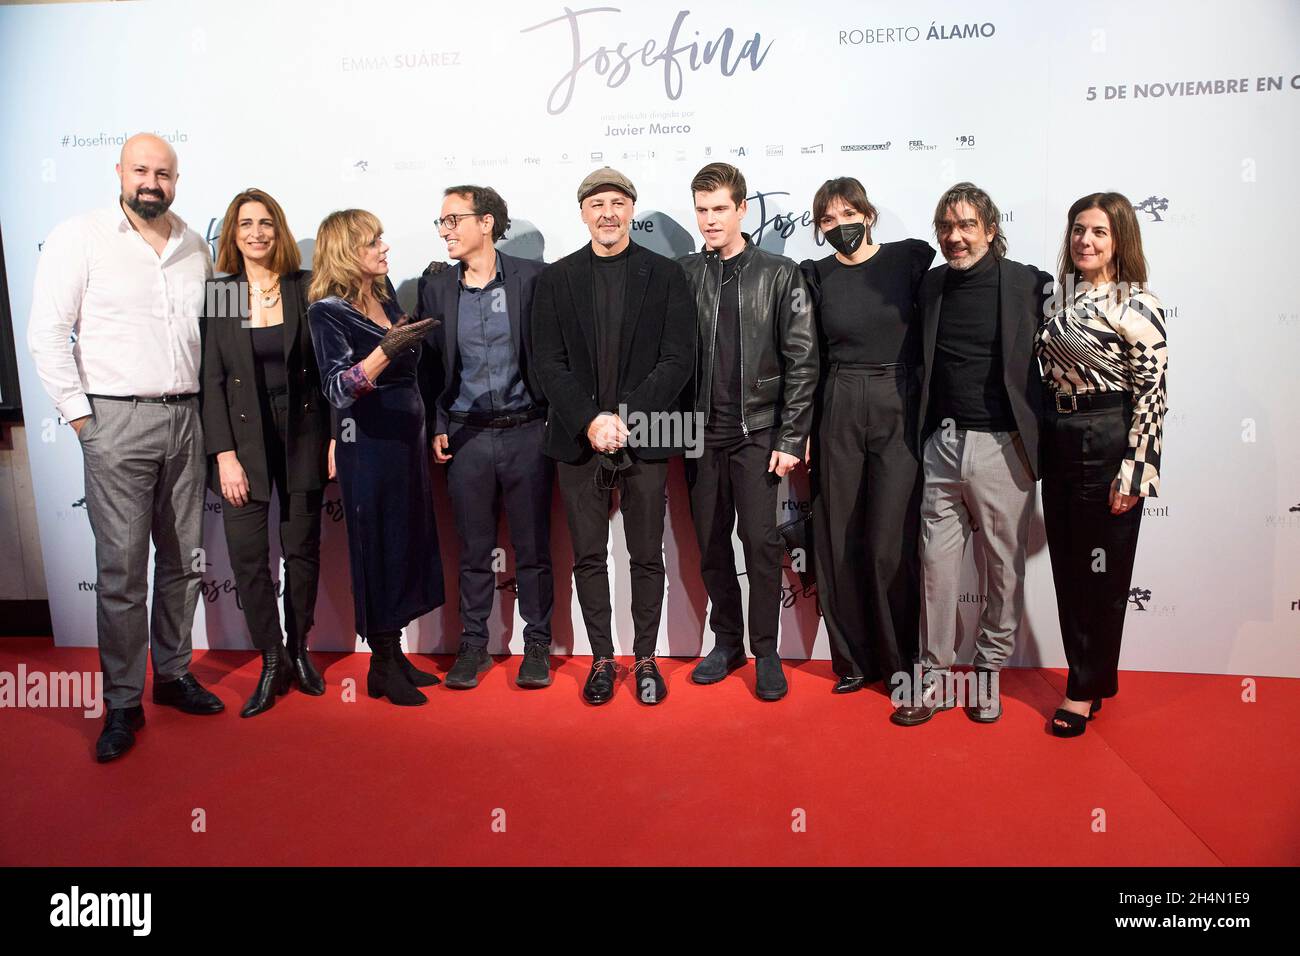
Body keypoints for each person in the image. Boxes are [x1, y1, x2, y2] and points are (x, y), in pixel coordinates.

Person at [27, 133, 223, 762]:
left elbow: (227, 332)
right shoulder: (78, 236)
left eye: (164, 174)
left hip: (189, 419)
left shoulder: (198, 246)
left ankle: (171, 675)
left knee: (184, 559)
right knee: (120, 574)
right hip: (115, 422)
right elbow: (47, 335)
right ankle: (121, 702)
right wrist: (86, 423)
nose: (152, 183)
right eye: (141, 170)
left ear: (176, 179)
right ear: (119, 171)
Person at [531, 167, 695, 705]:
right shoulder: (555, 280)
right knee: (588, 556)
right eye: (597, 202)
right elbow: (548, 365)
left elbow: (677, 360)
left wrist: (624, 418)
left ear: (631, 209)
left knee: (648, 554)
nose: (608, 212)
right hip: (579, 442)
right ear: (582, 213)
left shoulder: (666, 276)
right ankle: (602, 657)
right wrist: (591, 421)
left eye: (618, 201)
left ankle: (646, 658)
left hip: (645, 436)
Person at [892, 182, 1053, 727]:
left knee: (1002, 571)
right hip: (941, 445)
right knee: (936, 571)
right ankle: (932, 679)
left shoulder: (1029, 284)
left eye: (966, 226)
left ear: (989, 229)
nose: (954, 237)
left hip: (1003, 448)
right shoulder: (931, 285)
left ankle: (988, 676)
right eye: (946, 227)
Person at [678, 163, 817, 702]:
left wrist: (790, 435)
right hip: (698, 433)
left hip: (758, 431)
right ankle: (727, 642)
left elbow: (803, 360)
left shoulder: (780, 274)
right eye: (702, 209)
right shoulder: (684, 273)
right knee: (711, 545)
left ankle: (767, 652)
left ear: (741, 210)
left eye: (719, 209)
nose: (710, 220)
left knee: (759, 545)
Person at [1037, 192, 1167, 737]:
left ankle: (1082, 689)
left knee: (1103, 574)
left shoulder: (1137, 304)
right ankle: (1091, 680)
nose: (1085, 241)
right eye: (1078, 231)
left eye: (1098, 232)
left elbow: (1153, 393)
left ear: (1120, 241)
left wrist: (1136, 472)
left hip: (1107, 436)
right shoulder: (1055, 301)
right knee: (1070, 571)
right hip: (1059, 437)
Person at [415, 185, 553, 690]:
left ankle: (537, 644)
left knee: (533, 549)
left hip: (527, 434)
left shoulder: (532, 279)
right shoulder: (435, 289)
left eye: (454, 219)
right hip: (466, 439)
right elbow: (428, 368)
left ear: (488, 222)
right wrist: (436, 424)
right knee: (473, 551)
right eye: (442, 222)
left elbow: (554, 358)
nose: (446, 230)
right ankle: (472, 644)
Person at [201, 188, 333, 717]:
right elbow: (211, 381)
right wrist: (223, 455)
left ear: (278, 230)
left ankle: (300, 650)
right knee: (250, 560)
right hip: (243, 442)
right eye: (245, 224)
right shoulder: (224, 294)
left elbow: (329, 370)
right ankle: (271, 659)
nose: (256, 233)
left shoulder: (305, 287)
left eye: (265, 224)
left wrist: (331, 440)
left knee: (302, 551)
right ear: (232, 235)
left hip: (303, 434)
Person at [800, 177, 935, 695]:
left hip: (898, 397)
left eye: (848, 214)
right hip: (837, 402)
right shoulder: (815, 277)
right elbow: (806, 356)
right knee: (837, 536)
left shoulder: (909, 260)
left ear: (869, 214)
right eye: (828, 220)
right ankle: (853, 660)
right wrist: (803, 428)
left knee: (888, 540)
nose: (840, 226)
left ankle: (900, 661)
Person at [306, 209, 445, 706]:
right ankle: (381, 663)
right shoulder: (326, 311)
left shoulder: (383, 297)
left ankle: (396, 655)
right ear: (347, 252)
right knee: (378, 547)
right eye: (373, 242)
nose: (385, 248)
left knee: (406, 544)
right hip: (367, 448)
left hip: (406, 444)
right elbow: (337, 389)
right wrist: (385, 350)